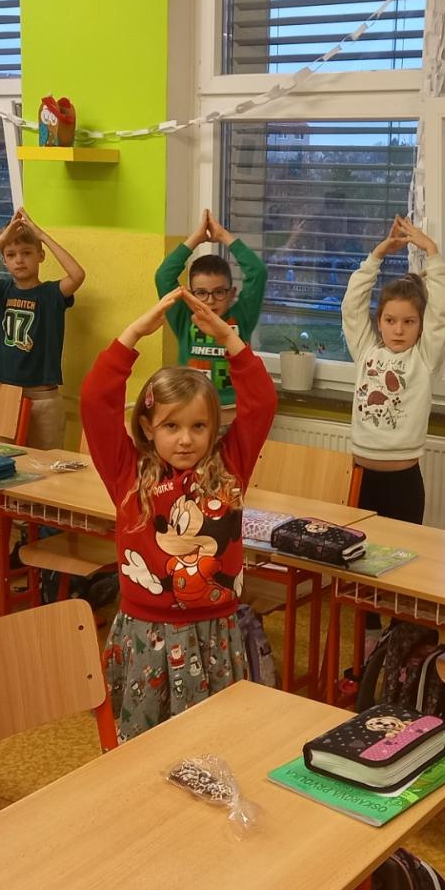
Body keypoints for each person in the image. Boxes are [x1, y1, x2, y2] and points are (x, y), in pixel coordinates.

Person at [80, 288, 277, 741]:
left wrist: (229, 338)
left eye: (198, 426)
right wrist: (131, 336)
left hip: (214, 631)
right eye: (171, 426)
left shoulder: (229, 467)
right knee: (143, 743)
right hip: (146, 632)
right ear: (147, 428)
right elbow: (94, 403)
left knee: (212, 739)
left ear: (214, 428)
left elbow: (262, 403)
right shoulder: (128, 473)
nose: (185, 439)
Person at [342, 215, 445, 527]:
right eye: (390, 321)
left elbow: (442, 314)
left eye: (409, 322)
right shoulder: (366, 349)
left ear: (421, 325)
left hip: (404, 483)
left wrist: (432, 252)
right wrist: (377, 255)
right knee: (355, 552)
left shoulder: (424, 357)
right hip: (360, 478)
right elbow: (352, 306)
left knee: (402, 553)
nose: (399, 330)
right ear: (379, 322)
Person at [0, 206, 85, 450]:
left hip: (43, 397)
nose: (19, 259)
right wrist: (2, 239)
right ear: (4, 261)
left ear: (40, 256)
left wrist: (42, 236)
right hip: (7, 393)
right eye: (11, 254)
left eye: (27, 253)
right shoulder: (1, 291)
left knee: (47, 463)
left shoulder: (51, 293)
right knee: (9, 460)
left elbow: (77, 275)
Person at [154, 209, 268, 417]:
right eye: (201, 293)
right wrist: (195, 239)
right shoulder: (184, 318)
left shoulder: (242, 316)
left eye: (219, 292)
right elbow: (163, 277)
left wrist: (223, 236)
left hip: (233, 409)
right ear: (191, 295)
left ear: (232, 293)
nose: (210, 300)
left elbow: (257, 272)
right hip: (192, 407)